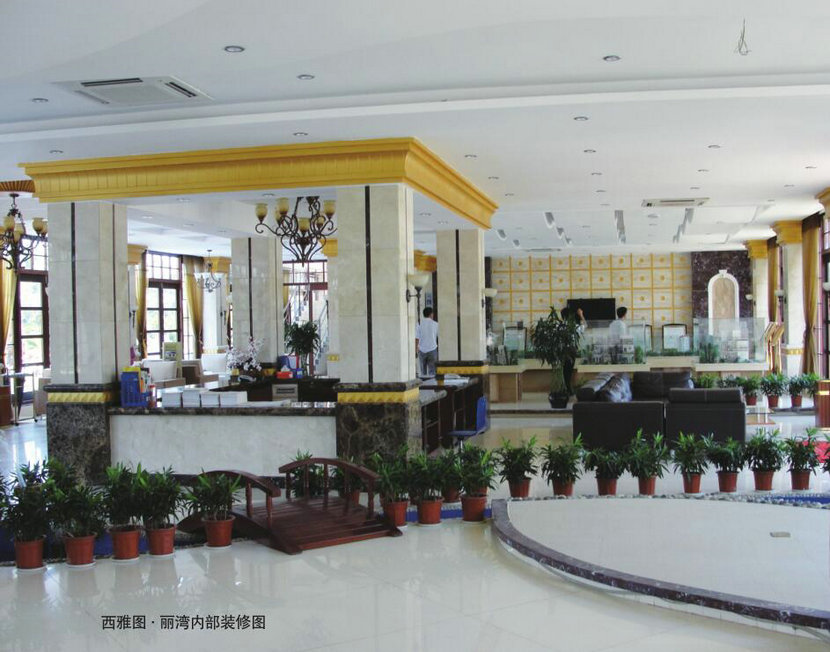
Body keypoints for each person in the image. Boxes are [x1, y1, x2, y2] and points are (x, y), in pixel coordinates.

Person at [559, 306, 586, 396]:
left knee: (565, 370)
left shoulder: (560, 325)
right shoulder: (574, 325)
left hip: (562, 350)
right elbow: (584, 326)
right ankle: (568, 389)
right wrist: (581, 315)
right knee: (569, 370)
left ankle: (567, 389)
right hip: (571, 349)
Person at [415, 307, 439, 378]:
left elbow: (417, 338)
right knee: (432, 371)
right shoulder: (435, 324)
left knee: (423, 372)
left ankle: (423, 384)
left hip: (422, 350)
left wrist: (416, 349)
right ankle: (432, 384)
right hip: (432, 349)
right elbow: (438, 336)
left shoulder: (419, 324)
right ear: (431, 314)